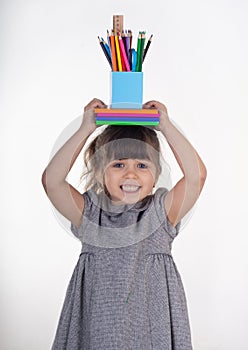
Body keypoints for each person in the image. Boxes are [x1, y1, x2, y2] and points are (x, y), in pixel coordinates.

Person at [42, 98, 207, 349]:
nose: (130, 174)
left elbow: (197, 176)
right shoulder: (90, 214)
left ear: (155, 176)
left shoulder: (161, 213)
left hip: (151, 327)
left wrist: (166, 126)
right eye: (118, 164)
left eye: (142, 165)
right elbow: (52, 181)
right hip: (98, 328)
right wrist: (86, 127)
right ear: (100, 172)